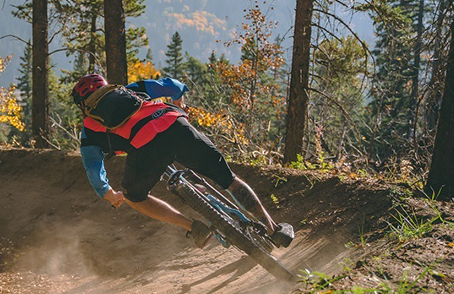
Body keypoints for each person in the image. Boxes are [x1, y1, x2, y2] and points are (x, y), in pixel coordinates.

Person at [72, 73, 294, 249]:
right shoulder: (132, 90)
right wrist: (180, 103)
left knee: (134, 197)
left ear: (83, 105)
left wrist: (109, 195)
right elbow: (174, 85)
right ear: (107, 86)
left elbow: (93, 168)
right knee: (229, 180)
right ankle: (275, 230)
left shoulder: (89, 129)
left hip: (146, 149)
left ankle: (194, 228)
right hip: (176, 126)